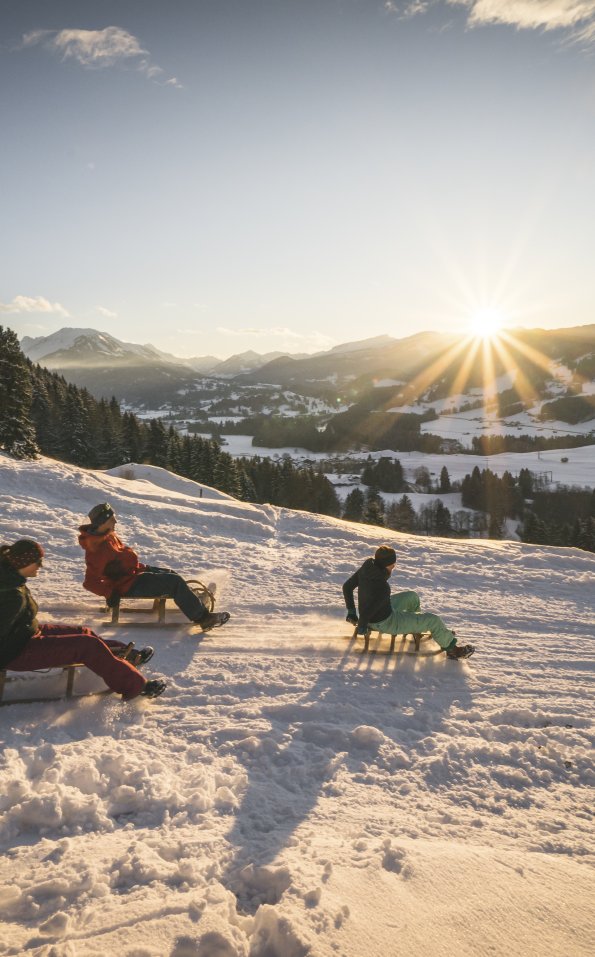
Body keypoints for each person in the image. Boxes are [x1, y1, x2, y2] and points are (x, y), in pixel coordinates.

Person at [0, 539, 167, 699]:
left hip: (26, 633)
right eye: (37, 562)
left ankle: (122, 655)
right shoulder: (11, 594)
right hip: (17, 652)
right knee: (86, 645)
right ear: (23, 562)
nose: (41, 566)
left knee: (83, 632)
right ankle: (136, 687)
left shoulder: (11, 579)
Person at [78, 503, 230, 630]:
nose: (115, 521)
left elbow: (121, 561)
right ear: (103, 522)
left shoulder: (107, 536)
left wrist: (142, 567)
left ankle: (194, 601)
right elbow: (90, 582)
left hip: (134, 574)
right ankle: (203, 618)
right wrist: (110, 594)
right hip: (128, 585)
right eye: (112, 519)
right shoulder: (96, 549)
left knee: (171, 574)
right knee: (173, 583)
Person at [342, 544, 474, 660]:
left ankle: (418, 629)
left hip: (377, 611)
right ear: (386, 565)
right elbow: (372, 607)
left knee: (412, 597)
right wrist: (363, 624)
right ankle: (453, 651)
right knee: (434, 620)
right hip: (385, 621)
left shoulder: (368, 567)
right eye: (392, 564)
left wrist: (352, 612)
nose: (394, 566)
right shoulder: (382, 587)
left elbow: (347, 587)